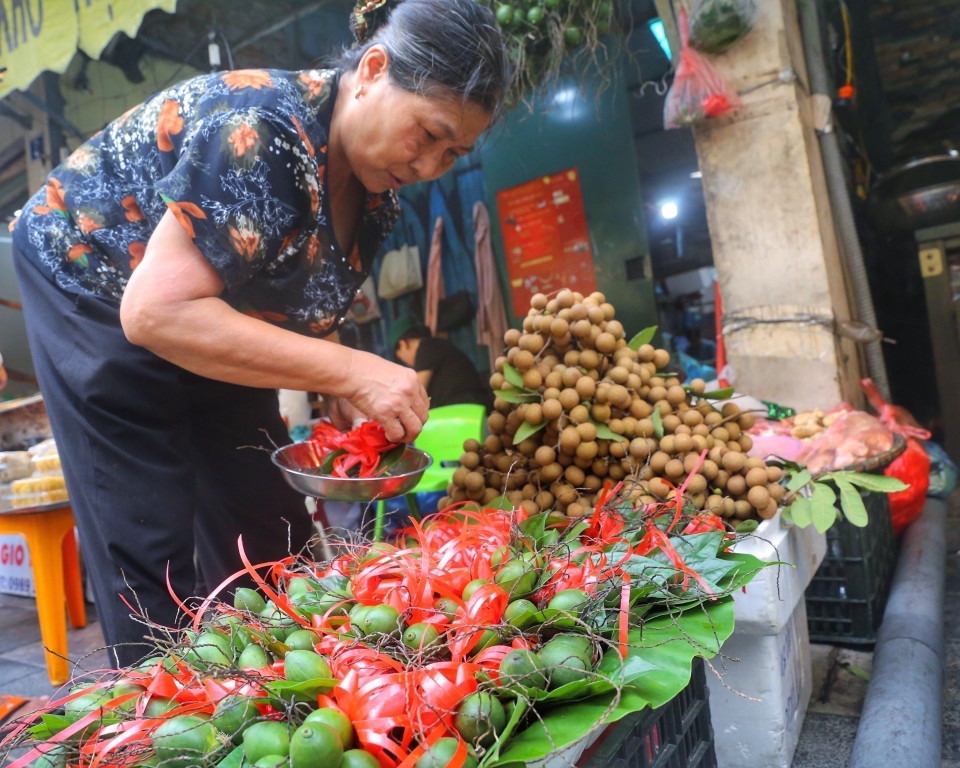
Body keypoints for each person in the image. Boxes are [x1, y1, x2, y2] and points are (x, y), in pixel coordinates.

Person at [10, 0, 507, 665]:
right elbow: (155, 313)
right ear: (372, 71)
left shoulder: (376, 194)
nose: (429, 167)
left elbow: (291, 307)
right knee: (147, 531)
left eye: (454, 153)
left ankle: (282, 680)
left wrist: (340, 385)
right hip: (92, 272)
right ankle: (159, 701)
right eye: (428, 134)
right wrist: (355, 371)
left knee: (267, 522)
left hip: (207, 302)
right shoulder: (263, 131)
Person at [392, 319, 492, 410]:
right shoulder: (435, 345)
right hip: (466, 406)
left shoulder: (426, 347)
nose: (407, 364)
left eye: (401, 359)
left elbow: (416, 391)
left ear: (403, 344)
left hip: (467, 408)